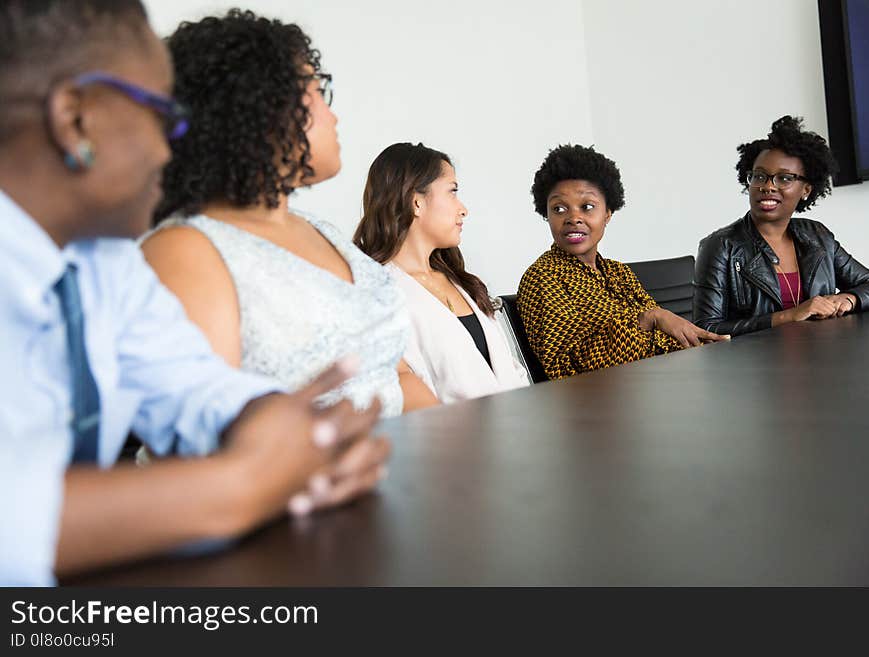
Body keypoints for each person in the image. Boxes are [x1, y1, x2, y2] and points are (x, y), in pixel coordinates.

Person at [0, 0, 388, 586]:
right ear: (74, 120)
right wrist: (244, 484)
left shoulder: (104, 263)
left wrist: (291, 433)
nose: (172, 146)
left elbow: (195, 388)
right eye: (162, 113)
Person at [142, 10, 436, 415]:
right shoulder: (185, 250)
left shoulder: (324, 232)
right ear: (259, 106)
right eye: (317, 90)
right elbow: (208, 442)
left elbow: (394, 376)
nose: (333, 114)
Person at [517, 144, 727, 380]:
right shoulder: (542, 278)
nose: (573, 218)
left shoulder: (618, 272)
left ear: (607, 213)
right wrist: (647, 319)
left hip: (656, 383)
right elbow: (565, 369)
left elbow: (662, 335)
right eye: (559, 208)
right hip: (599, 406)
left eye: (587, 207)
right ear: (547, 215)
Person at [354, 143, 530, 403]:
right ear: (416, 202)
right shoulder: (378, 294)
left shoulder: (461, 282)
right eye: (452, 191)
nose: (463, 209)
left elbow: (512, 371)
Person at [693, 115, 869, 336]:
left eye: (784, 178)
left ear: (806, 190)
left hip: (823, 357)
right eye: (760, 176)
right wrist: (788, 317)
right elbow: (705, 330)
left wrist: (849, 298)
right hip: (756, 366)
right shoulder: (721, 246)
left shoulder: (818, 236)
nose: (768, 186)